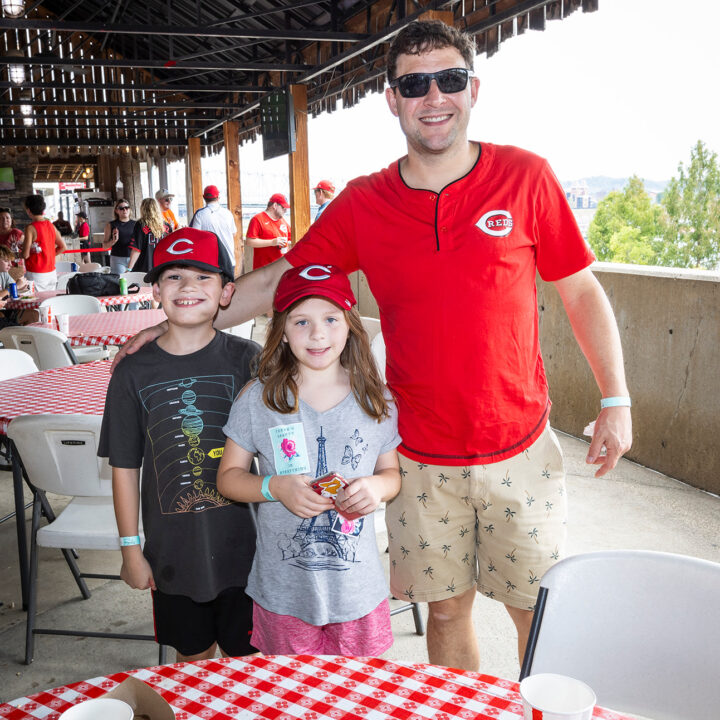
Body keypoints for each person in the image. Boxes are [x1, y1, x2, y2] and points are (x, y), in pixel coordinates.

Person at [116, 20, 633, 671]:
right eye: (414, 84)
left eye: (448, 80)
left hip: (520, 446)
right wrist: (186, 325)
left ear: (472, 88)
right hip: (415, 452)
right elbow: (281, 278)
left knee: (538, 612)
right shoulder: (366, 202)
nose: (433, 97)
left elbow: (580, 291)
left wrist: (615, 397)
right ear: (392, 99)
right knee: (445, 612)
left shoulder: (525, 177)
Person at [217, 264, 401, 655]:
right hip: (283, 594)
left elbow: (392, 474)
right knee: (289, 697)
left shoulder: (377, 399)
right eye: (301, 321)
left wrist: (375, 487)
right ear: (282, 331)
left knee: (356, 698)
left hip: (358, 593)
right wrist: (273, 487)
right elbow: (228, 477)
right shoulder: (258, 398)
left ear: (350, 325)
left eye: (330, 319)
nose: (317, 334)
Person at [98, 227, 259, 662]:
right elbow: (125, 467)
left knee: (253, 667)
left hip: (251, 552)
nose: (188, 287)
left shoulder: (250, 360)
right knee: (193, 665)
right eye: (173, 277)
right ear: (154, 291)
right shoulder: (131, 373)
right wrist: (130, 549)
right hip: (172, 556)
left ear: (227, 292)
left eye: (203, 276)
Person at [189, 185, 238, 275]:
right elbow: (233, 233)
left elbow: (193, 236)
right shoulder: (227, 213)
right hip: (229, 259)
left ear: (204, 197)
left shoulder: (200, 214)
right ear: (218, 197)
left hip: (209, 261)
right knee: (229, 287)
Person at [22, 194, 66, 292]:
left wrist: (18, 252)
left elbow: (25, 255)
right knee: (50, 302)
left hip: (36, 273)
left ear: (29, 211)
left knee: (35, 304)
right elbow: (63, 247)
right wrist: (48, 255)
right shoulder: (51, 225)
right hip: (51, 272)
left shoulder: (30, 228)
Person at [245, 193, 291, 270]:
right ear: (275, 205)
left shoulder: (282, 220)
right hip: (263, 269)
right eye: (283, 208)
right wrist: (272, 242)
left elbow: (291, 237)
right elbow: (249, 241)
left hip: (280, 267)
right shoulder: (257, 219)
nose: (285, 210)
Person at [128, 198, 171, 274]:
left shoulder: (141, 224)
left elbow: (136, 249)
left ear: (143, 209)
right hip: (162, 266)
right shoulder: (167, 226)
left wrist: (129, 269)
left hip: (145, 267)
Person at [102, 199, 135, 274]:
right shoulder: (111, 225)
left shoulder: (136, 224)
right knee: (120, 282)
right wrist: (113, 241)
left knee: (134, 282)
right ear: (116, 211)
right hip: (117, 259)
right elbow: (104, 246)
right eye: (121, 208)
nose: (124, 210)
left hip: (133, 258)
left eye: (127, 208)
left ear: (129, 210)